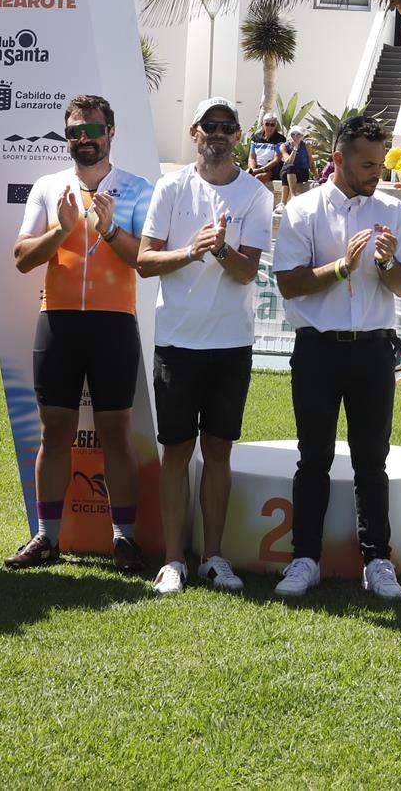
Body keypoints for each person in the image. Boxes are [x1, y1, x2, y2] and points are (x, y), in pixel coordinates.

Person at [3, 95, 154, 574]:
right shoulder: (50, 187)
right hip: (60, 321)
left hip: (114, 322)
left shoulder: (137, 188)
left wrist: (109, 231)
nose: (84, 140)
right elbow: (23, 258)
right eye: (74, 133)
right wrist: (61, 232)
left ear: (111, 132)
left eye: (92, 131)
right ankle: (46, 536)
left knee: (116, 432)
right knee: (55, 431)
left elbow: (145, 263)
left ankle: (124, 538)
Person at [272, 116, 401, 600]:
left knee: (372, 460)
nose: (377, 172)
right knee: (313, 458)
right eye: (367, 164)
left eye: (380, 162)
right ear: (337, 159)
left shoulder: (392, 211)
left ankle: (378, 560)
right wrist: (341, 268)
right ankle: (304, 559)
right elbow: (288, 282)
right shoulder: (304, 210)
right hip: (317, 350)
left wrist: (387, 264)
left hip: (374, 351)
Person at [137, 97, 274, 596]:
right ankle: (173, 561)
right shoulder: (171, 187)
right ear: (194, 132)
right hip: (176, 341)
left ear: (238, 135)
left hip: (230, 343)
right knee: (176, 451)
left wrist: (219, 248)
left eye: (226, 126)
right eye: (208, 126)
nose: (217, 134)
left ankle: (213, 557)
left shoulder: (256, 195)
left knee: (219, 450)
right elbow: (145, 261)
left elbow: (246, 272)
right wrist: (189, 251)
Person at [247, 114, 286, 194]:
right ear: (263, 124)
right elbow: (252, 157)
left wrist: (261, 170)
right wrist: (253, 169)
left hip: (271, 170)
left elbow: (276, 159)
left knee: (258, 177)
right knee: (244, 175)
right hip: (256, 168)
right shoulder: (255, 137)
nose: (270, 127)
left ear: (275, 126)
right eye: (267, 124)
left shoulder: (280, 139)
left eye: (272, 125)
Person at [281, 127, 314, 202]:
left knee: (287, 172)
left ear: (302, 136)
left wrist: (316, 174)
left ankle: (286, 200)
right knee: (289, 168)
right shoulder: (284, 146)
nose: (295, 136)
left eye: (298, 134)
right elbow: (289, 161)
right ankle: (288, 200)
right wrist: (295, 148)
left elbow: (310, 160)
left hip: (302, 172)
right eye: (293, 134)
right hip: (289, 172)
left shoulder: (306, 145)